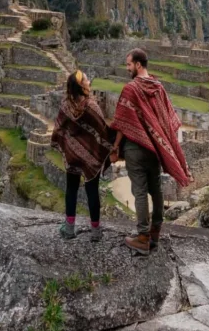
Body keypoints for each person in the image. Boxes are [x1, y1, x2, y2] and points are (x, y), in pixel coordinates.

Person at [110, 48, 193, 254]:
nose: (127, 68)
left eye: (129, 64)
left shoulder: (131, 89)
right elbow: (169, 120)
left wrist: (114, 147)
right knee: (155, 189)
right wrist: (160, 139)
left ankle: (142, 237)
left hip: (135, 148)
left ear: (138, 65)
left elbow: (121, 122)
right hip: (155, 148)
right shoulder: (158, 87)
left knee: (139, 191)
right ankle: (155, 233)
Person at [50, 70, 112, 241]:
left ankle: (69, 228)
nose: (88, 80)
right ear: (82, 85)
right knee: (92, 191)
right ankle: (96, 231)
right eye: (86, 79)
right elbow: (103, 131)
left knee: (71, 189)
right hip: (90, 157)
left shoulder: (65, 106)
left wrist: (69, 145)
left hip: (72, 156)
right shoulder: (91, 106)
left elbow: (59, 129)